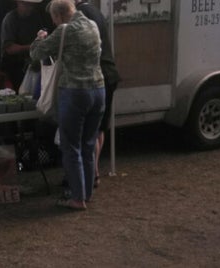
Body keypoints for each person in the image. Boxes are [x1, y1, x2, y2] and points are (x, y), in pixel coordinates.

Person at [30, 0, 105, 210]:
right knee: (88, 144)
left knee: (70, 146)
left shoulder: (65, 30)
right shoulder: (92, 25)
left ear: (60, 15)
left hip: (75, 92)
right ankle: (87, 193)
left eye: (54, 18)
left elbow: (36, 54)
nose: (54, 23)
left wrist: (39, 39)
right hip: (98, 90)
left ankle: (77, 198)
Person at [74, 0, 120, 188]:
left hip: (98, 77)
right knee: (99, 129)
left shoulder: (82, 15)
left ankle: (92, 175)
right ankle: (94, 173)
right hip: (109, 75)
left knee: (90, 130)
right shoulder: (94, 10)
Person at [0, 0, 53, 91]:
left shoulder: (36, 17)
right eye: (26, 4)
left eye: (32, 5)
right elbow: (9, 48)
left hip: (32, 65)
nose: (30, 7)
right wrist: (32, 47)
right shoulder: (10, 19)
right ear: (18, 2)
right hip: (14, 67)